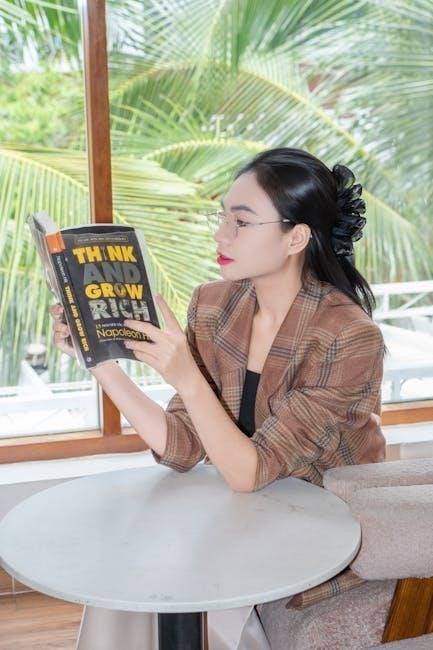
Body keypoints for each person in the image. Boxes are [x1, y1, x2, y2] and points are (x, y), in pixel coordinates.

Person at [51, 147, 386, 649]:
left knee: (177, 574)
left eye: (241, 222)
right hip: (241, 507)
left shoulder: (347, 336)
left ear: (296, 237)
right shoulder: (215, 304)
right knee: (123, 575)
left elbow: (251, 472)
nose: (221, 235)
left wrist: (187, 376)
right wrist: (98, 359)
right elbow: (184, 446)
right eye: (223, 216)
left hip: (317, 522)